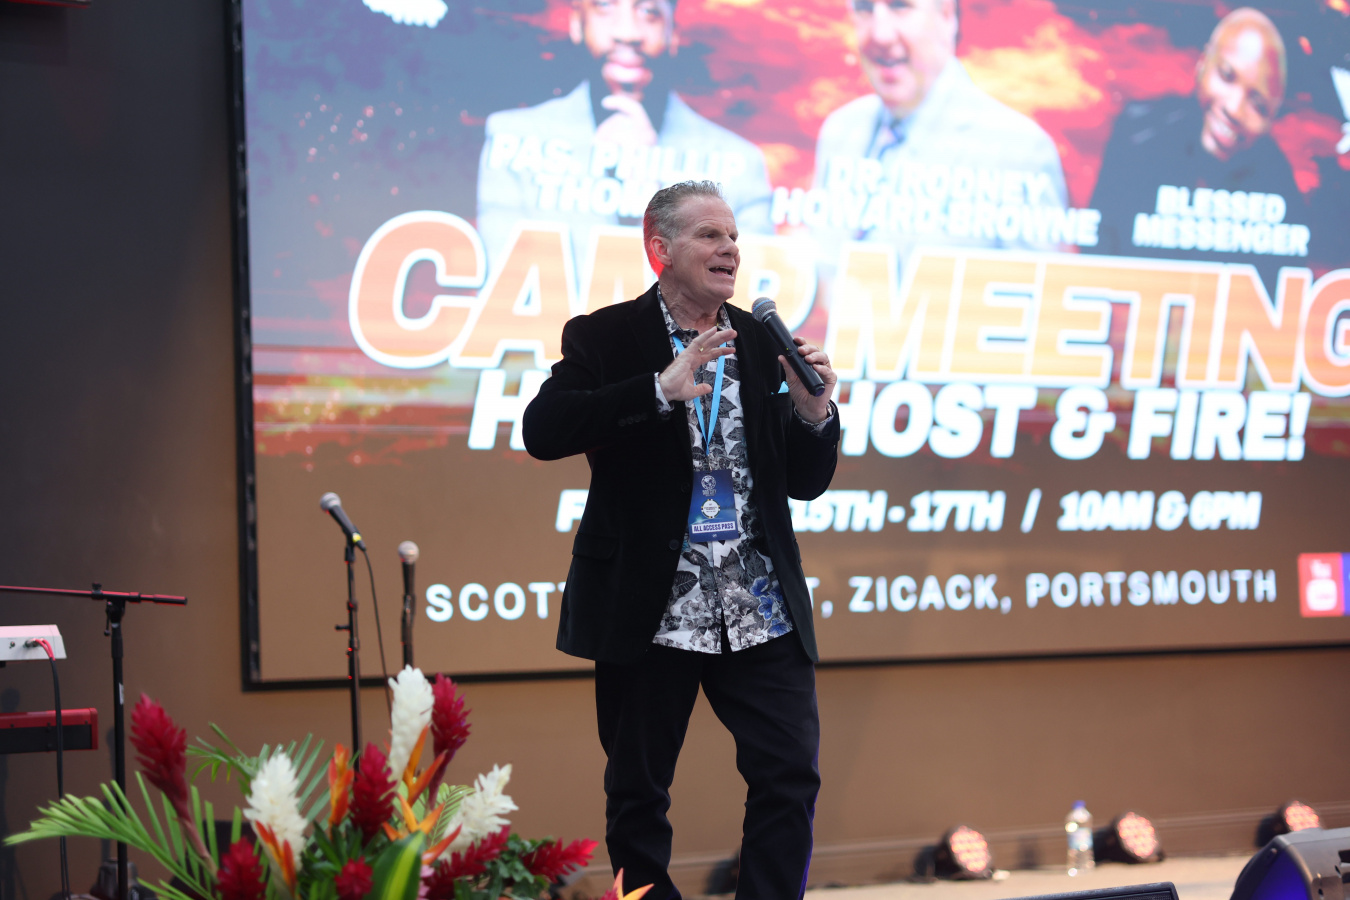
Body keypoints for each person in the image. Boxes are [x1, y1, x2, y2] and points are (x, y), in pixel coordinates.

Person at [522, 180, 839, 900]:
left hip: (758, 603)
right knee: (638, 793)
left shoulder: (763, 341)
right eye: (709, 235)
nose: (729, 249)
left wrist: (813, 414)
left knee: (790, 776)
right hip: (653, 607)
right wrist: (657, 391)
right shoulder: (605, 337)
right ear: (660, 249)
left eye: (734, 236)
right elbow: (543, 430)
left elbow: (804, 482)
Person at [477, 0, 774, 273]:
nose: (627, 32)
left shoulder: (740, 167)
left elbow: (739, 301)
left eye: (648, 11)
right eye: (605, 5)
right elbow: (506, 290)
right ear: (577, 22)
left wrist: (653, 201)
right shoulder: (511, 139)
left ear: (673, 32)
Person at [810, 0, 1069, 273]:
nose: (880, 34)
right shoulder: (841, 129)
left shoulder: (1019, 150)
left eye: (900, 6)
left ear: (946, 16)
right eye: (864, 7)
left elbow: (1041, 292)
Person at [1089, 7, 1305, 280]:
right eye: (1226, 76)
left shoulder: (1280, 190)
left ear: (1274, 117)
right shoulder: (1138, 135)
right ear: (1203, 63)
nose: (1234, 109)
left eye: (1258, 105)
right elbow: (1095, 253)